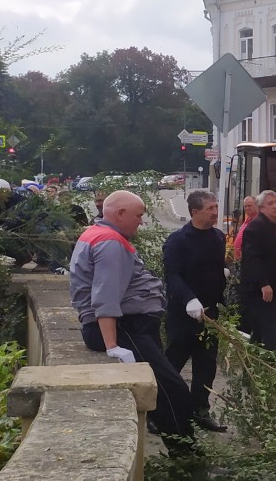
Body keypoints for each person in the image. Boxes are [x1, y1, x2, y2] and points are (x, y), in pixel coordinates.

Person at [68, 190, 196, 455]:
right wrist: (112, 345)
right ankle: (187, 458)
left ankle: (177, 444)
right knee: (172, 390)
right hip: (124, 327)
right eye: (138, 215)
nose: (141, 221)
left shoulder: (97, 234)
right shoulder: (110, 243)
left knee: (164, 385)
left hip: (129, 326)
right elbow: (105, 296)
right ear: (120, 214)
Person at [163, 190, 229, 433]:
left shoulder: (218, 237)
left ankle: (200, 411)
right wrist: (189, 299)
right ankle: (159, 412)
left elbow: (216, 266)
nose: (215, 212)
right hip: (184, 315)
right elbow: (173, 275)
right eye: (210, 208)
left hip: (210, 315)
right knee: (172, 366)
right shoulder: (177, 241)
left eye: (215, 207)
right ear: (194, 212)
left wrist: (223, 276)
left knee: (206, 367)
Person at [239, 190, 276, 351]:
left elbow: (271, 254)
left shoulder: (272, 226)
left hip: (268, 290)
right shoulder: (256, 227)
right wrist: (264, 283)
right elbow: (252, 258)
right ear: (261, 208)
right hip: (258, 291)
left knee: (260, 334)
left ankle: (252, 373)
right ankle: (271, 370)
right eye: (270, 203)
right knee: (271, 333)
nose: (275, 206)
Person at [232, 195, 258, 261]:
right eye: (245, 206)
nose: (246, 208)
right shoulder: (247, 219)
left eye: (249, 206)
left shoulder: (258, 222)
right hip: (241, 260)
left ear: (256, 205)